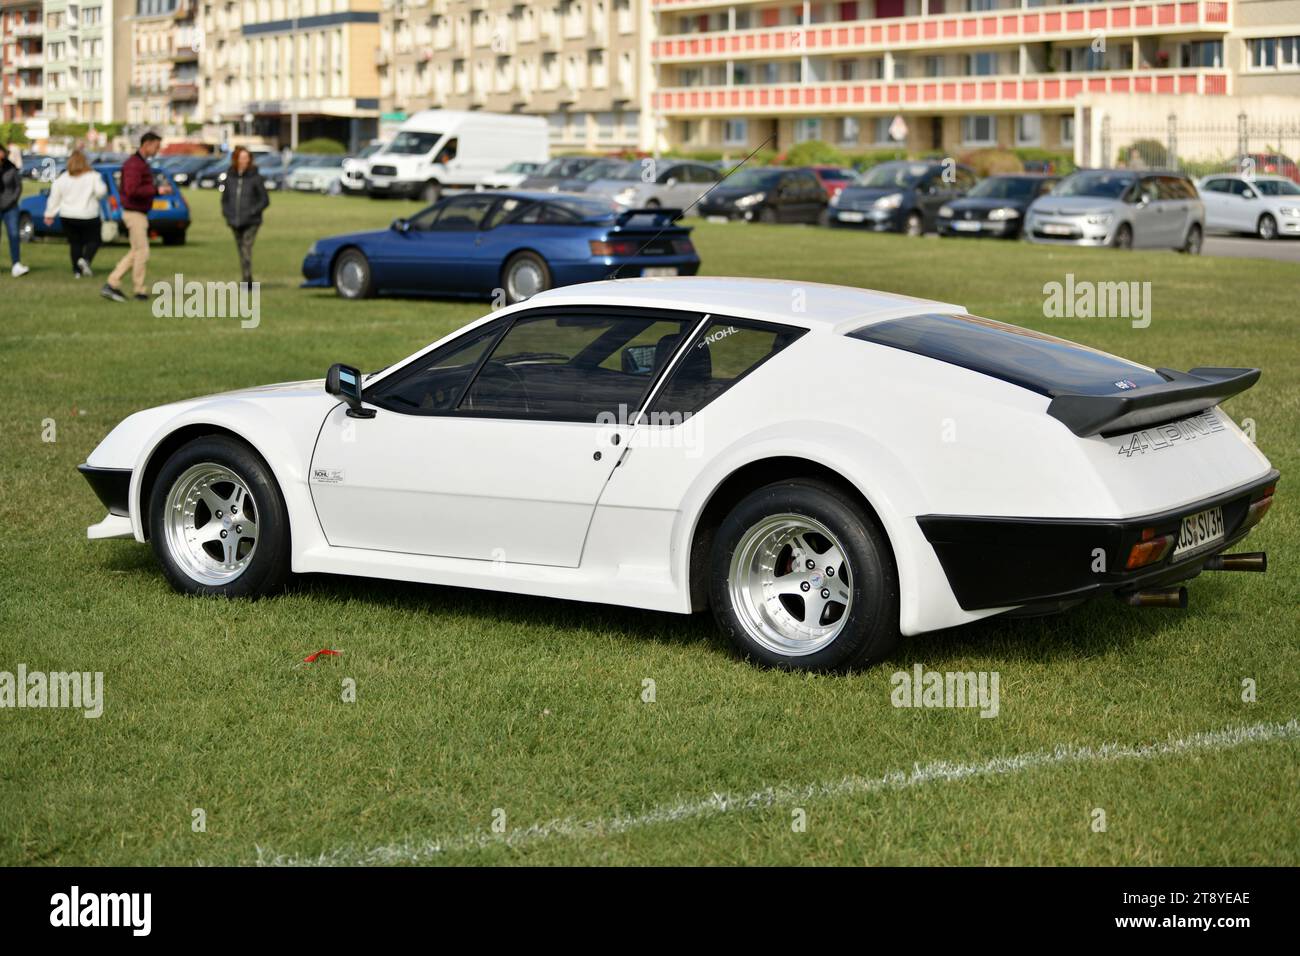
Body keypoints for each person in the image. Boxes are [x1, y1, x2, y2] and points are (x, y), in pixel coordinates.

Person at [102, 131, 170, 302]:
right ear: (146, 144)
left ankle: (112, 283)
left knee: (135, 252)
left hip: (138, 212)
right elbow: (132, 190)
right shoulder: (134, 164)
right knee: (142, 252)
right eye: (156, 146)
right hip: (134, 213)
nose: (158, 149)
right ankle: (139, 289)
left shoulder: (140, 163)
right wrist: (156, 190)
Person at [44, 149, 107, 278]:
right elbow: (101, 192)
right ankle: (85, 259)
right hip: (89, 215)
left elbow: (54, 197)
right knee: (94, 240)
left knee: (75, 243)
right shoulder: (93, 176)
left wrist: (50, 214)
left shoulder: (62, 178)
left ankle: (76, 271)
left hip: (68, 216)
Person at [220, 146, 270, 285]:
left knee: (246, 249)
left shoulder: (255, 177)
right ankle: (247, 277)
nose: (244, 161)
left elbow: (265, 200)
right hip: (234, 220)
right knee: (241, 250)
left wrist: (252, 211)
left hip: (251, 221)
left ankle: (247, 280)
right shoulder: (230, 176)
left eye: (247, 158)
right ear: (236, 159)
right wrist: (227, 213)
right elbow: (225, 199)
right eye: (242, 158)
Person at [0, 143, 28, 278]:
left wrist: (12, 200)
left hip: (10, 207)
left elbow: (18, 187)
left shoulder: (11, 168)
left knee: (14, 235)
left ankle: (16, 264)